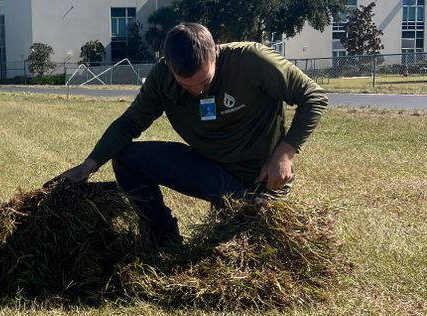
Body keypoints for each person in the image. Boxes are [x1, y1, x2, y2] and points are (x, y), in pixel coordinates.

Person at [56, 22, 328, 244]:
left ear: (215, 54)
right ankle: (163, 240)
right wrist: (89, 165)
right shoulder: (162, 77)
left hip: (259, 182)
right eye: (186, 85)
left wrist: (285, 152)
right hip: (210, 172)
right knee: (128, 158)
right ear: (170, 66)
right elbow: (129, 124)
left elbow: (313, 97)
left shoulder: (251, 60)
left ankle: (248, 209)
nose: (197, 91)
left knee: (245, 247)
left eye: (204, 82)